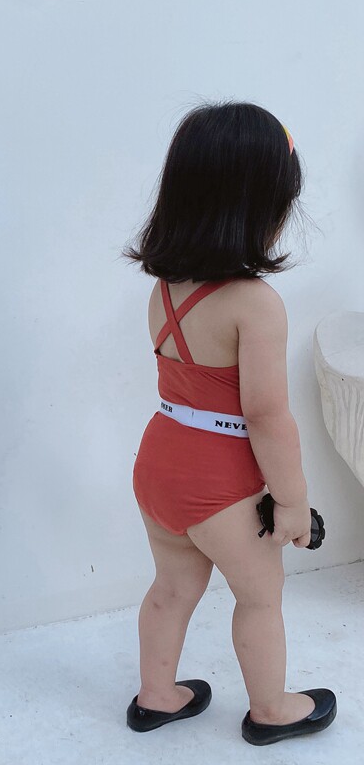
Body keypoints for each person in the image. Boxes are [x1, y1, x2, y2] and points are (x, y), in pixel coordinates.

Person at [120, 101, 337, 746]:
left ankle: (157, 696)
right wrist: (292, 502)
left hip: (159, 464)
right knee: (260, 597)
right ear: (260, 209)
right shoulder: (254, 304)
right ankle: (273, 709)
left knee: (171, 585)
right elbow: (266, 415)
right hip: (222, 484)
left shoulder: (165, 287)